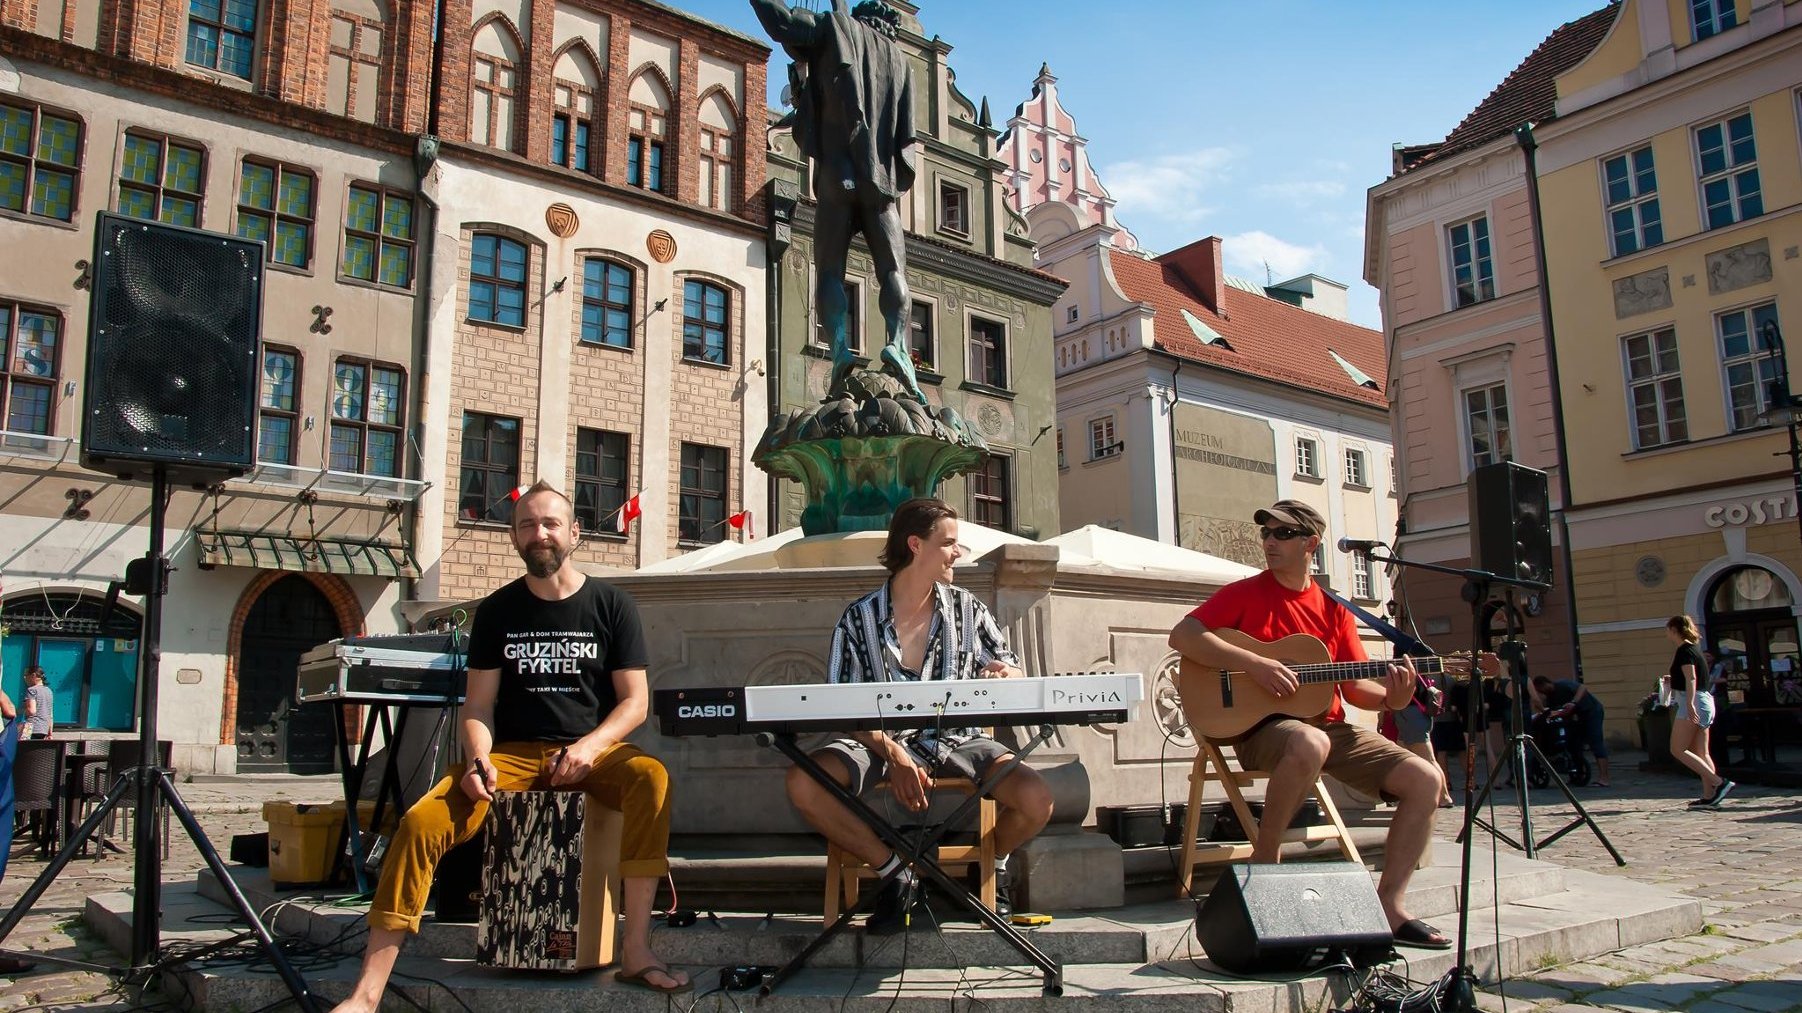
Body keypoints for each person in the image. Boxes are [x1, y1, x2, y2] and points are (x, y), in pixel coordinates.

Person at [328, 482, 688, 1013]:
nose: (538, 534)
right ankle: (367, 992)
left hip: (591, 753)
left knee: (651, 778)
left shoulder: (612, 605)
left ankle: (635, 950)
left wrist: (590, 747)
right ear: (515, 536)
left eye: (549, 524)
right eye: (526, 525)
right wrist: (477, 760)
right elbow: (478, 708)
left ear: (575, 533)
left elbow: (634, 703)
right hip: (512, 755)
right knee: (420, 824)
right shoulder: (497, 610)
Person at [1168, 500, 1449, 949]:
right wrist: (1256, 664)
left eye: (1282, 534)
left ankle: (1390, 905)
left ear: (1310, 544)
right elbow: (1183, 636)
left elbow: (1357, 690)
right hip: (1260, 730)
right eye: (1266, 534)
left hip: (1327, 727)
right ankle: (1266, 866)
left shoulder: (1334, 609)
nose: (1269, 542)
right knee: (1308, 742)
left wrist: (1394, 700)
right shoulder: (1245, 593)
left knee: (1425, 778)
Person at [785, 498, 1054, 931]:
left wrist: (1007, 671)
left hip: (957, 739)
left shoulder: (969, 609)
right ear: (915, 545)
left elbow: (1011, 663)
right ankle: (895, 873)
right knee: (803, 782)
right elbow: (841, 707)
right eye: (949, 543)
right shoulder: (858, 619)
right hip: (876, 741)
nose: (957, 553)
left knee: (1037, 799)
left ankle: (985, 871)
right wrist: (893, 752)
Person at [748, 0, 926, 402]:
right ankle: (898, 343)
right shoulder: (901, 63)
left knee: (830, 271)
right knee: (894, 271)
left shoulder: (834, 28)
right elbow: (905, 136)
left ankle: (841, 349)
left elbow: (784, 23)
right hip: (882, 188)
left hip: (837, 177)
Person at [1663, 614, 1732, 808]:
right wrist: (1672, 680)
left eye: (1668, 629)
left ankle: (1719, 783)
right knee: (1702, 752)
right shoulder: (1695, 649)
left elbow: (1691, 678)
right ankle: (1710, 796)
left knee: (1677, 749)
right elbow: (1692, 677)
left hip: (1692, 701)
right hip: (1705, 700)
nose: (1666, 633)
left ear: (1674, 630)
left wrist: (1691, 704)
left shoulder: (1684, 650)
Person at [1527, 675, 1611, 787]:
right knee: (1573, 743)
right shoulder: (1550, 698)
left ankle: (1604, 778)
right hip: (1577, 717)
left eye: (1540, 690)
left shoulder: (1562, 684)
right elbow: (1552, 711)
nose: (1541, 693)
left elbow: (1582, 687)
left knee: (1595, 741)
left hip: (1591, 711)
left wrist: (1574, 702)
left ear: (1544, 684)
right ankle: (1577, 774)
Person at [21, 667, 52, 739]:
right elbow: (50, 715)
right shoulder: (49, 691)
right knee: (35, 749)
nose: (24, 678)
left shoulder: (31, 690)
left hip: (30, 727)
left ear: (33, 675)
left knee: (22, 748)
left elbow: (31, 711)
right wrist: (50, 733)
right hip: (44, 729)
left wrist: (17, 711)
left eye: (26, 675)